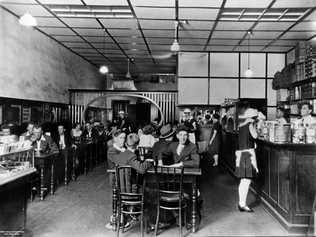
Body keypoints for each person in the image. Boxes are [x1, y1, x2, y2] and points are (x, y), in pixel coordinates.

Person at [235, 108, 259, 213]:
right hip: (248, 154)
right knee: (246, 180)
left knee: (243, 180)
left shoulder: (241, 125)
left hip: (241, 153)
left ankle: (241, 203)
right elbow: (255, 136)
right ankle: (242, 204)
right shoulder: (250, 125)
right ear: (253, 118)